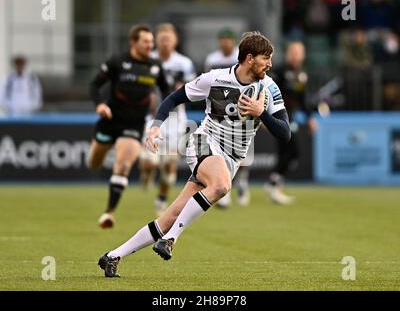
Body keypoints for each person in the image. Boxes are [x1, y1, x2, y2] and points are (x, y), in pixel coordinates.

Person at [98, 31, 291, 277]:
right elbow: (173, 99)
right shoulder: (214, 79)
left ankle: (113, 256)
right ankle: (170, 240)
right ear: (250, 58)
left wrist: (261, 112)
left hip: (231, 157)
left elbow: (285, 133)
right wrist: (156, 125)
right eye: (267, 58)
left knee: (170, 216)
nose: (271, 64)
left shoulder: (269, 87)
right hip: (203, 141)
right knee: (221, 185)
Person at [88, 24, 169, 228]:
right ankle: (141, 160)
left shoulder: (155, 66)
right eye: (146, 41)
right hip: (110, 121)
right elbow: (95, 84)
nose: (150, 45)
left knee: (123, 165)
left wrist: (161, 113)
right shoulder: (117, 61)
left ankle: (109, 213)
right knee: (93, 163)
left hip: (133, 124)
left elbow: (167, 93)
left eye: (152, 42)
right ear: (133, 42)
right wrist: (99, 104)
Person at [139, 23, 197, 216]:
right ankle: (146, 173)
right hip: (153, 115)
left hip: (176, 117)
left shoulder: (184, 63)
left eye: (168, 39)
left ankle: (161, 199)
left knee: (170, 163)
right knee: (150, 162)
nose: (165, 43)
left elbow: (192, 89)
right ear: (157, 40)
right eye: (162, 39)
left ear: (175, 41)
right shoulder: (149, 60)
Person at [265, 41, 317, 205]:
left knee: (287, 152)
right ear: (288, 53)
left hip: (291, 116)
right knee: (292, 150)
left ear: (303, 55)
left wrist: (310, 118)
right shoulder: (279, 71)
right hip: (278, 116)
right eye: (293, 51)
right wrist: (265, 118)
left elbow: (302, 99)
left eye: (298, 52)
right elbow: (268, 94)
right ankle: (273, 183)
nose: (295, 55)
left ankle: (274, 185)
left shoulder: (301, 74)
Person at [204, 28, 250, 207]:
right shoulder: (212, 59)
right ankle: (225, 190)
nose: (225, 43)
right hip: (219, 112)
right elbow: (208, 85)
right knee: (221, 153)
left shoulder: (241, 57)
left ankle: (243, 182)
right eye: (222, 39)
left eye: (228, 39)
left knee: (243, 153)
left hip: (242, 111)